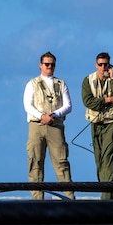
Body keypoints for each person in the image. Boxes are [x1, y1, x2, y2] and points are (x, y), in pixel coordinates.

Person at [23, 51, 75, 200]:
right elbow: (28, 105)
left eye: (52, 64)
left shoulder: (61, 84)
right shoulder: (32, 83)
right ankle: (37, 199)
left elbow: (68, 105)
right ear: (40, 66)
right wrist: (42, 116)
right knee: (35, 162)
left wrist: (53, 115)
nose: (50, 67)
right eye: (47, 64)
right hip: (36, 126)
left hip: (56, 126)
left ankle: (69, 198)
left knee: (62, 162)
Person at [81, 52, 113, 199]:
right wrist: (108, 100)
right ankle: (108, 189)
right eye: (100, 64)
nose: (103, 67)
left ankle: (105, 197)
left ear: (110, 65)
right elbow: (88, 101)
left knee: (108, 156)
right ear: (96, 65)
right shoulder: (88, 80)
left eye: (106, 64)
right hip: (96, 122)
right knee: (99, 159)